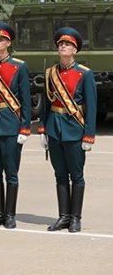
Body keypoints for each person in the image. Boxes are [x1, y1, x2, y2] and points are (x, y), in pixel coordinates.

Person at [39, 27, 96, 233]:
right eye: (61, 44)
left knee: (77, 175)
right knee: (60, 174)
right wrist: (43, 129)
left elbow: (91, 106)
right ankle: (63, 216)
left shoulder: (85, 74)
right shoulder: (50, 73)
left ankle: (75, 218)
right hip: (55, 129)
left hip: (75, 129)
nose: (63, 46)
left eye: (68, 44)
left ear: (75, 50)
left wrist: (89, 135)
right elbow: (46, 104)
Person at [0, 22, 31, 229]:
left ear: (8, 43)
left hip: (11, 124)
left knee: (11, 173)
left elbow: (26, 100)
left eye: (1, 39)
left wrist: (25, 127)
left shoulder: (19, 67)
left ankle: (10, 214)